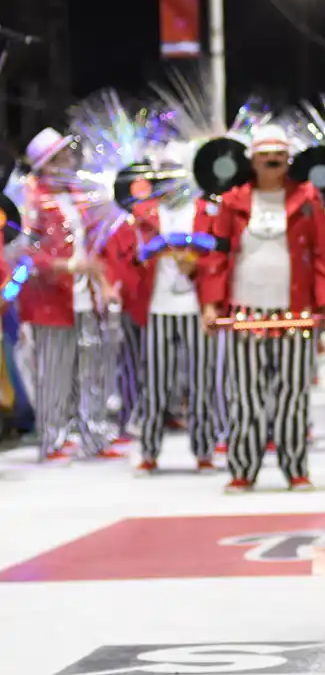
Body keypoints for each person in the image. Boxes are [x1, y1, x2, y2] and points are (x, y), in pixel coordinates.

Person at [199, 123, 325, 492]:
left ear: (289, 159)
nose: (273, 161)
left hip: (295, 310)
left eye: (279, 156)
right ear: (253, 160)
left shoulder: (307, 198)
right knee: (246, 394)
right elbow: (217, 257)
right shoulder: (232, 201)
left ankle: (296, 468)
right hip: (246, 310)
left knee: (294, 392)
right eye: (265, 156)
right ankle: (243, 469)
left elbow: (323, 254)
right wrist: (211, 304)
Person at [104, 141, 218, 473]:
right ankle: (150, 450)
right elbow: (128, 257)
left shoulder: (204, 211)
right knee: (154, 382)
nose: (169, 181)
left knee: (201, 381)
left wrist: (196, 265)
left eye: (174, 174)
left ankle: (204, 450)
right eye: (163, 175)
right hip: (156, 308)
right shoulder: (145, 213)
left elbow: (217, 258)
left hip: (195, 307)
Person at [17, 127, 124, 462]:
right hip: (52, 300)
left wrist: (103, 283)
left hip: (84, 296)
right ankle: (53, 439)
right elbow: (29, 256)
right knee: (54, 371)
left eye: (68, 155)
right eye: (60, 157)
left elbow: (94, 245)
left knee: (92, 367)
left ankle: (94, 435)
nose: (69, 161)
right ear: (46, 165)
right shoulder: (33, 201)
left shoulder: (79, 197)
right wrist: (70, 266)